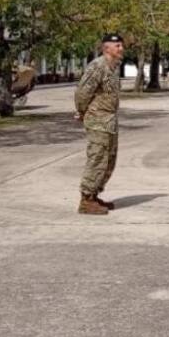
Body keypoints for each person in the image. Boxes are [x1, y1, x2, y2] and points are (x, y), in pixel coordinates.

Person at [75, 33, 124, 215]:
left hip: (109, 120)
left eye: (121, 45)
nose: (121, 48)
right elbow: (83, 92)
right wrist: (81, 111)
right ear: (106, 48)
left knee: (109, 159)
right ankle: (86, 200)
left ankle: (94, 194)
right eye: (117, 45)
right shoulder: (98, 66)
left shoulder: (113, 67)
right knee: (97, 158)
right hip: (97, 120)